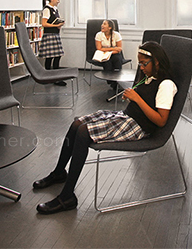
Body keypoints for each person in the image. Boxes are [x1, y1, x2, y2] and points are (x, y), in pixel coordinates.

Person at [33, 41, 177, 214]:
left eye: (144, 64)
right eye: (139, 63)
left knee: (83, 132)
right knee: (77, 124)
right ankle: (58, 173)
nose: (141, 67)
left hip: (138, 126)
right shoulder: (148, 77)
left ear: (157, 62)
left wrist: (137, 99)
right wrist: (133, 97)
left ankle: (67, 197)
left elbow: (161, 121)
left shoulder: (166, 85)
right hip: (126, 117)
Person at [37, 0, 66, 85]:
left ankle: (54, 77)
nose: (58, 1)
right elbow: (44, 23)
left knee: (56, 56)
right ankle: (50, 77)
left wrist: (59, 25)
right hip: (49, 35)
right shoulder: (47, 9)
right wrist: (55, 26)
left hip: (55, 35)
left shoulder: (55, 9)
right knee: (50, 57)